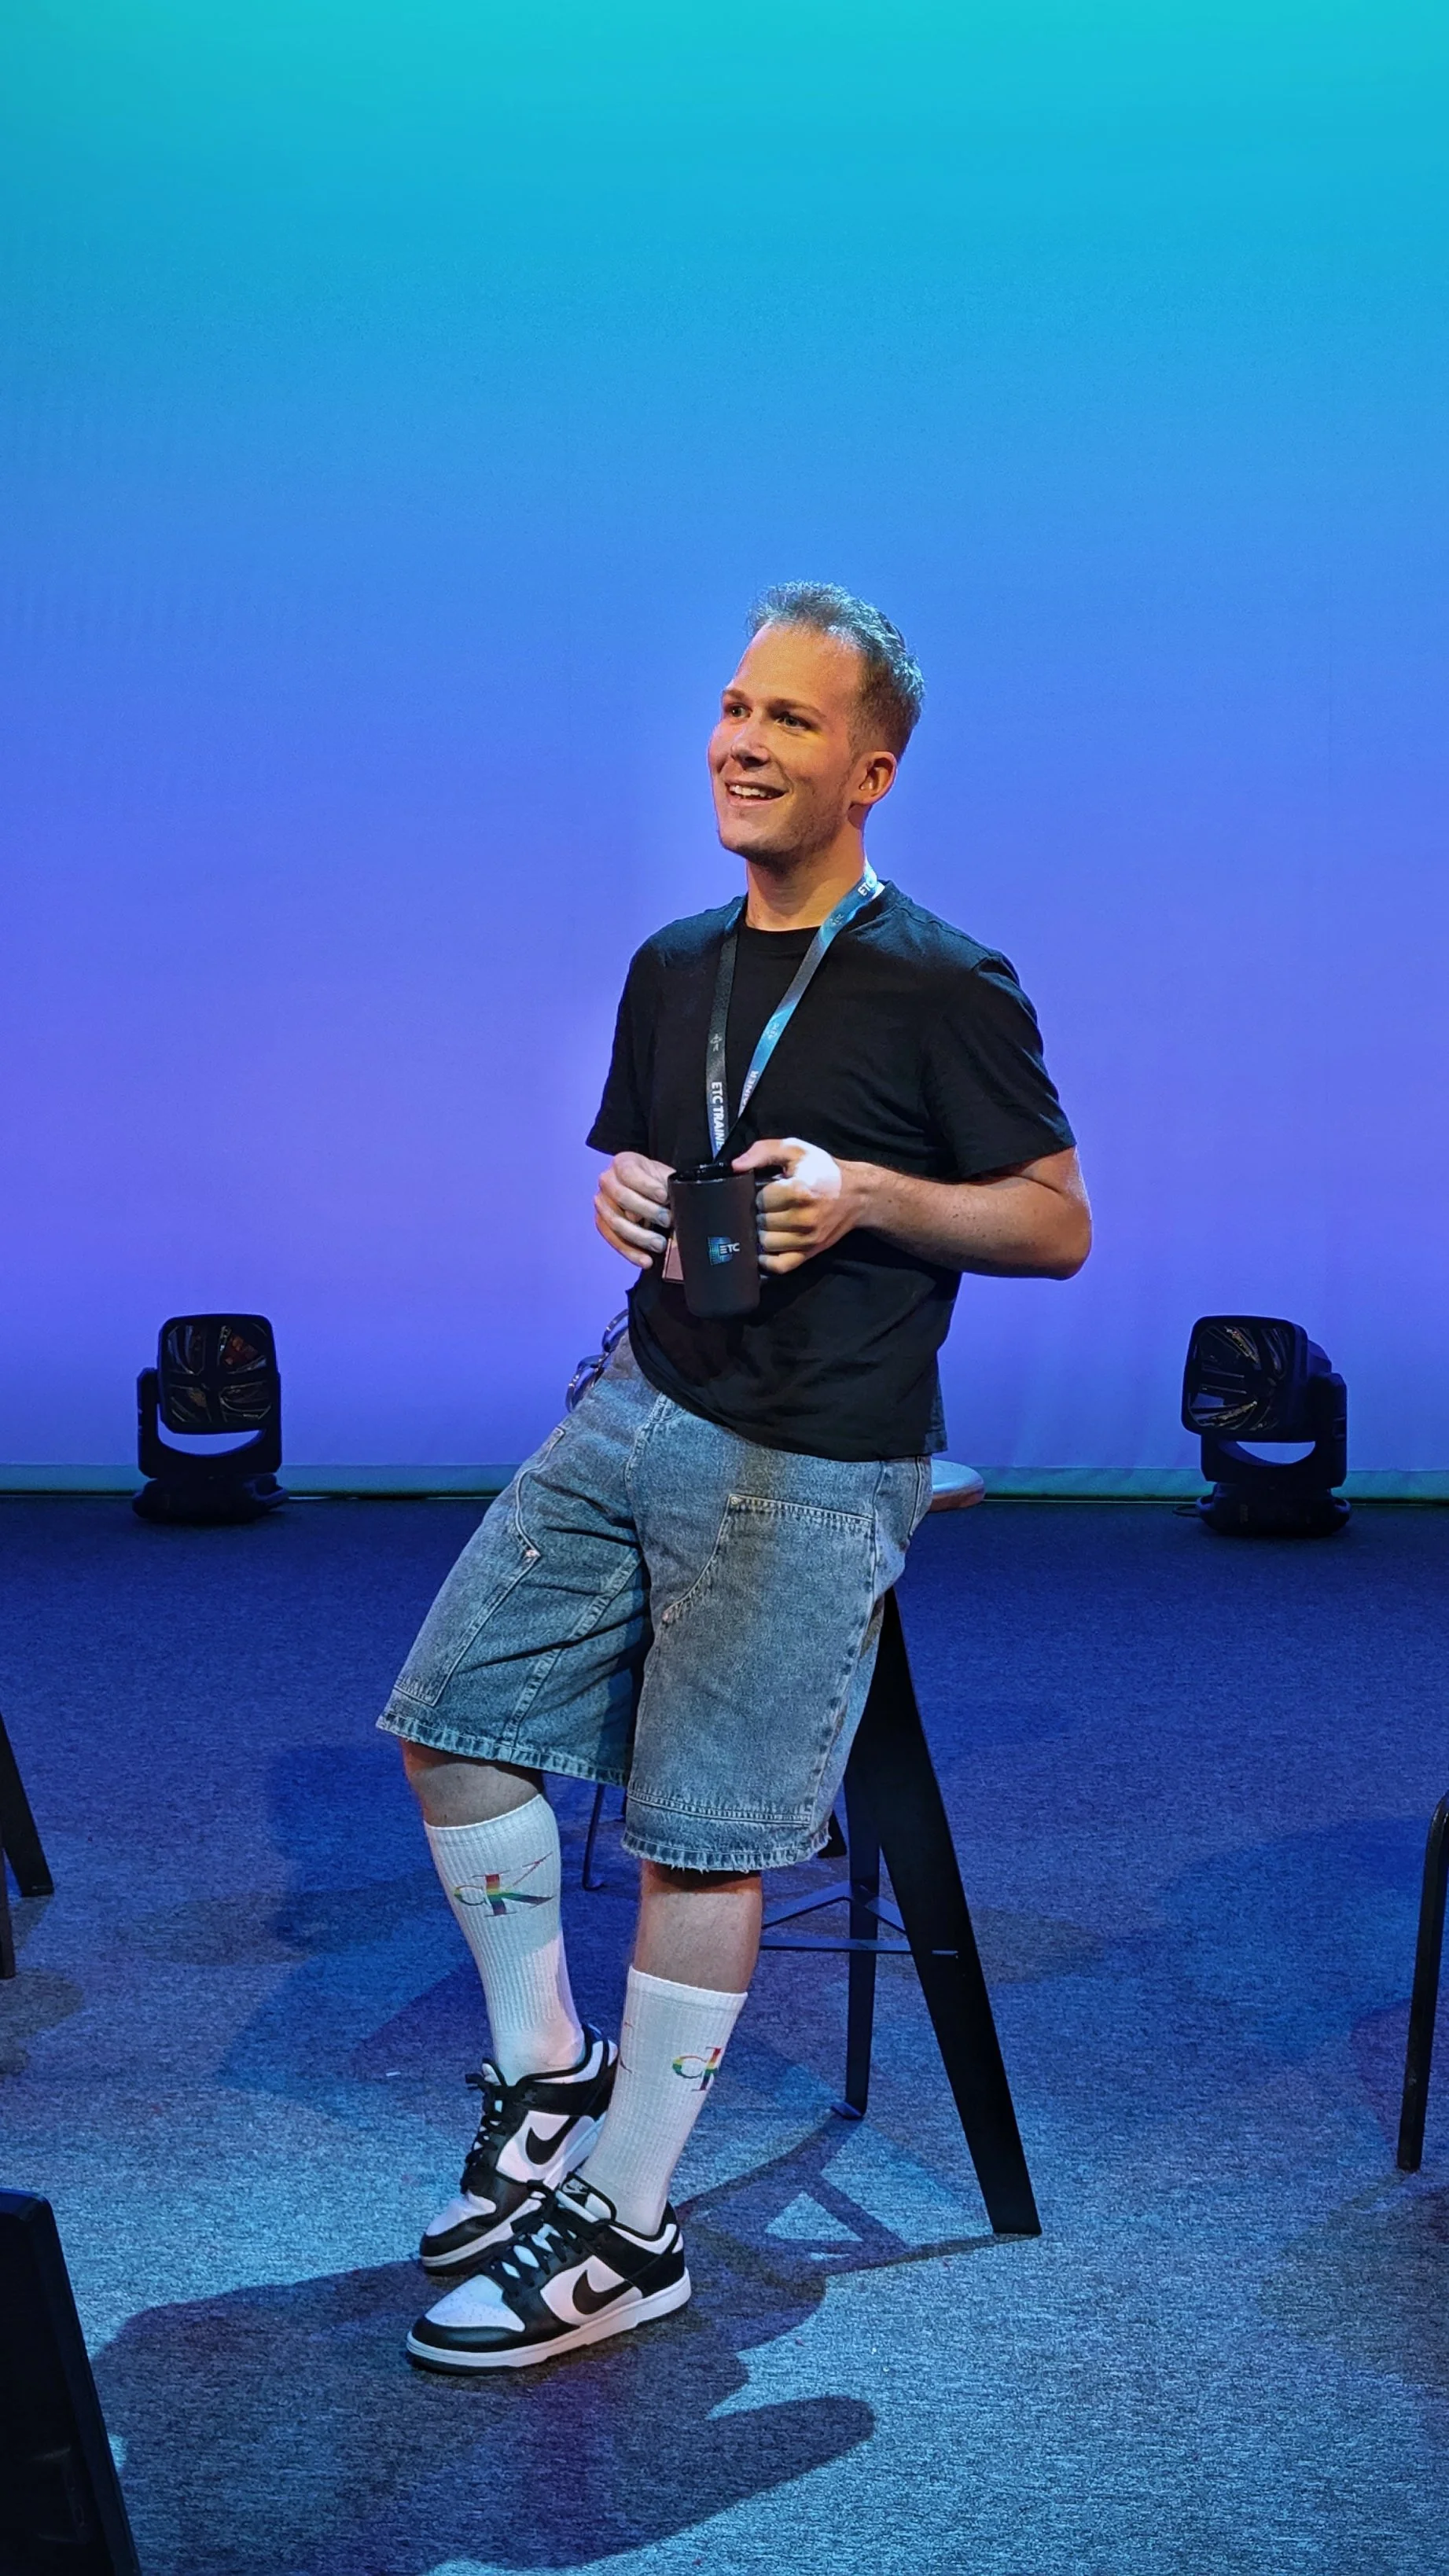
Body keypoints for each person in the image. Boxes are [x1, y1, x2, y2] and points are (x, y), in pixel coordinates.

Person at [380, 582, 1090, 2372]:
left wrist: (869, 1195)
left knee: (704, 1836)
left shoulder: (943, 980)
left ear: (870, 771)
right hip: (642, 1392)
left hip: (815, 1454)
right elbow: (645, 1154)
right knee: (449, 1716)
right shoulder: (677, 964)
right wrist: (621, 1190)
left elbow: (1058, 1223)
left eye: (786, 721)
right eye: (730, 709)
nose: (740, 742)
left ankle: (627, 2228)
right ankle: (550, 2082)